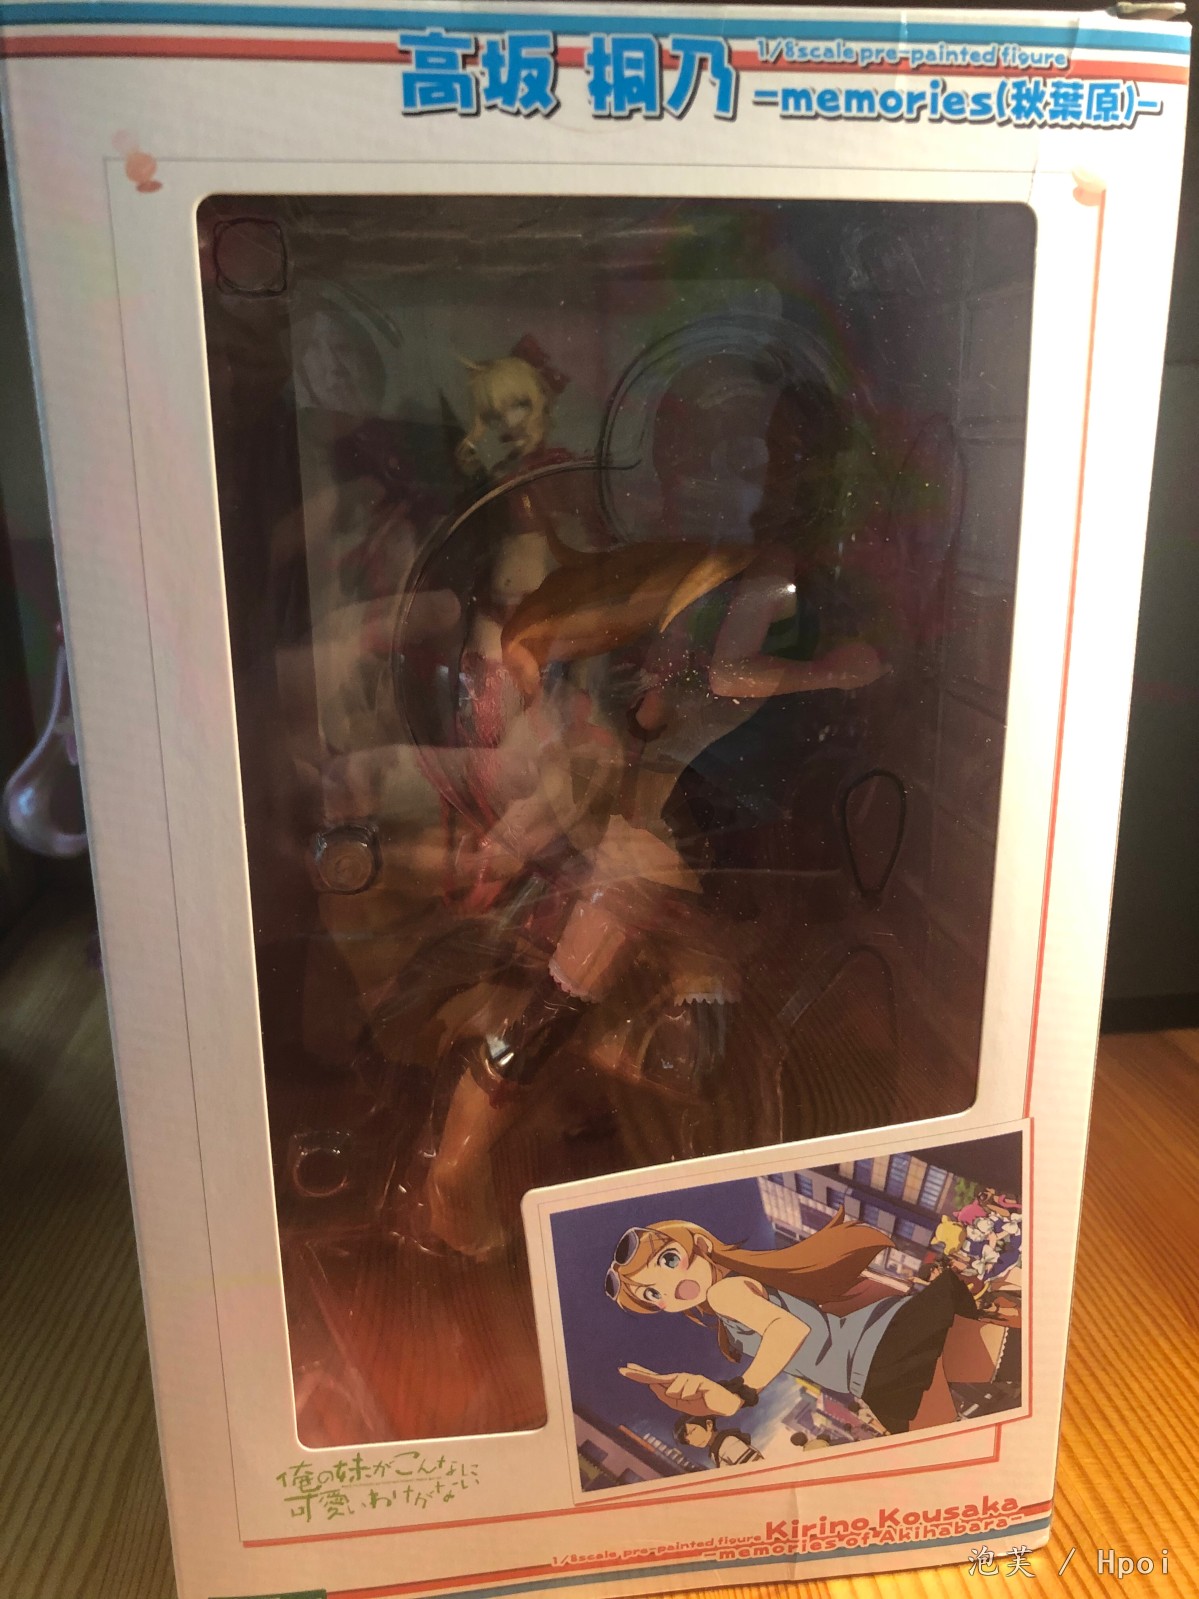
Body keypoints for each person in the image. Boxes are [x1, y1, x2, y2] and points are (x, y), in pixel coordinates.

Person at [605, 1213, 1007, 1435]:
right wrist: (724, 1396)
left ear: (701, 1245)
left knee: (952, 1448)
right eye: (652, 1294)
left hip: (878, 1356)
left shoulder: (725, 1293)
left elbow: (788, 1330)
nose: (671, 1288)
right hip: (878, 1354)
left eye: (669, 1261)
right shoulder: (729, 1317)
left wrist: (741, 1390)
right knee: (1016, 1360)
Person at [674, 1415, 763, 1468]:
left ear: (709, 1424)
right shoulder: (716, 1450)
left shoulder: (728, 1443)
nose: (692, 1440)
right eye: (687, 1441)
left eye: (692, 1431)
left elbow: (755, 1468)